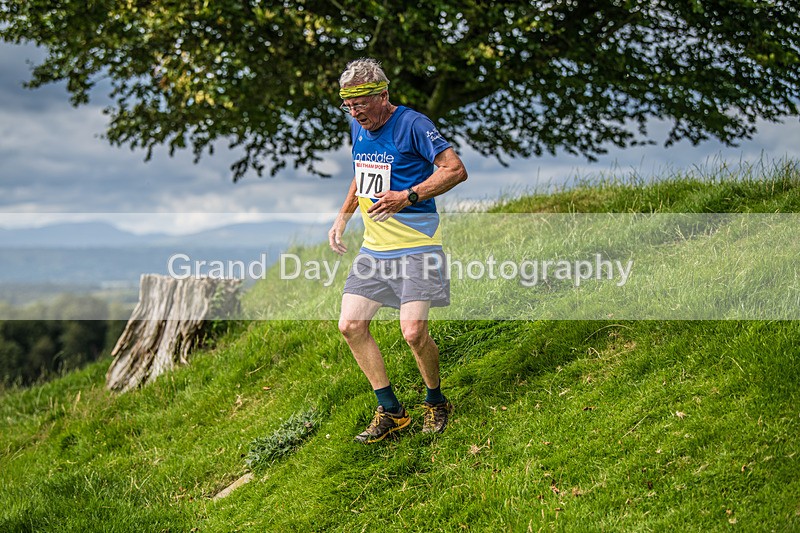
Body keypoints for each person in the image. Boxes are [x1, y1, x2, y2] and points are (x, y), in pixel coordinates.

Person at [328, 58, 468, 444]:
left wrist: (409, 195)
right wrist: (343, 215)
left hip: (417, 247)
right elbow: (362, 172)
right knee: (350, 325)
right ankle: (391, 411)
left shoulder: (413, 124)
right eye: (348, 106)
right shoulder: (358, 126)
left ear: (383, 95)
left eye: (361, 105)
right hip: (375, 250)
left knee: (413, 333)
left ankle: (436, 401)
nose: (355, 114)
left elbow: (454, 169)